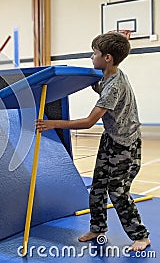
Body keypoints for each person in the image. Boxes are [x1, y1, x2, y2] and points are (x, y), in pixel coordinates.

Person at [35, 32, 151, 252]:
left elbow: (89, 122)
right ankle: (98, 228)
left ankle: (141, 236)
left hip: (125, 144)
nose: (91, 56)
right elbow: (103, 81)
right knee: (97, 186)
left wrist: (53, 124)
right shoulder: (109, 74)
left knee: (117, 191)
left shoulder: (113, 87)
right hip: (111, 138)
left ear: (107, 57)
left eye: (94, 53)